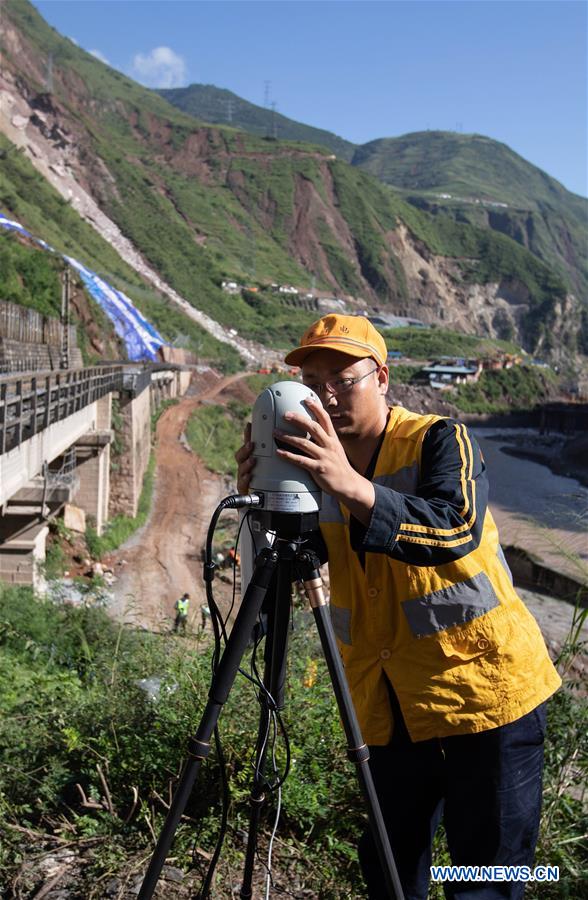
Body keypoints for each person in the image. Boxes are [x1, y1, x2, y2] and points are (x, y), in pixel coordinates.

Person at [235, 314, 561, 900]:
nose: (325, 393)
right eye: (312, 380)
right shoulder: (310, 472)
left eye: (342, 377)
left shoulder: (440, 439)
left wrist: (350, 486)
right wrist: (267, 506)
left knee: (487, 878)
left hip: (485, 700)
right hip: (388, 709)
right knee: (390, 871)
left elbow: (453, 527)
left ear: (381, 377)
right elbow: (280, 575)